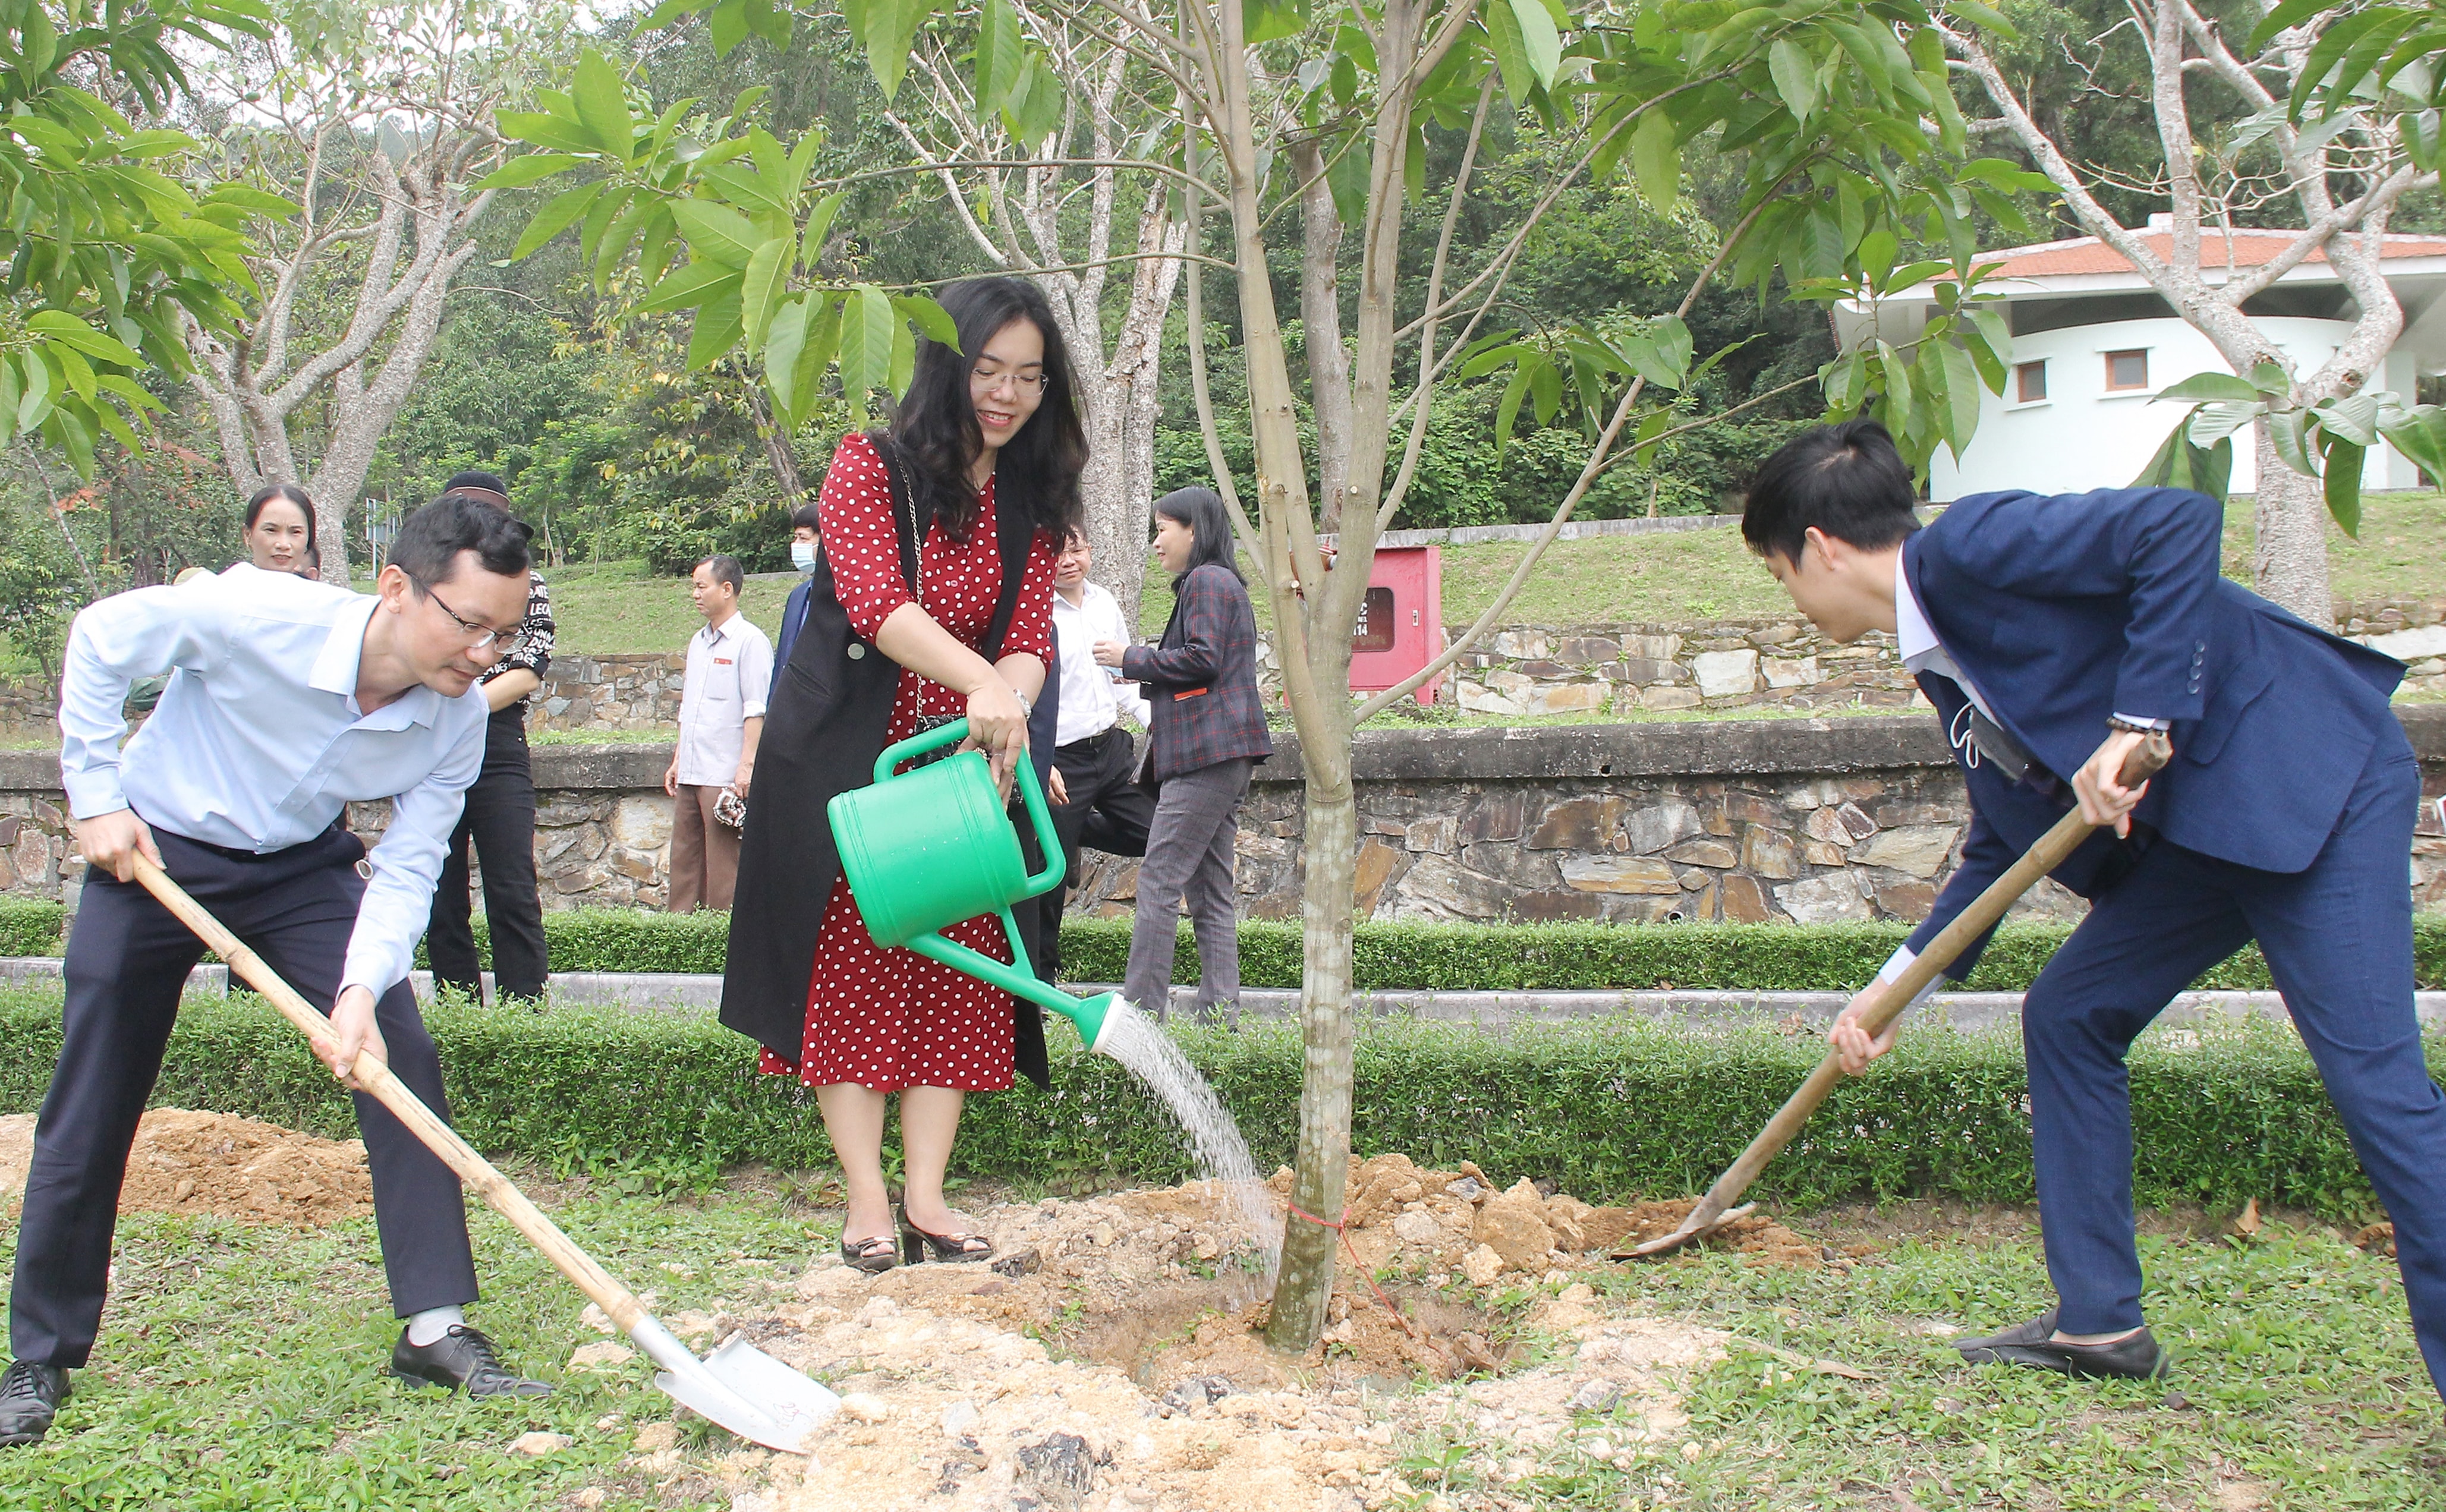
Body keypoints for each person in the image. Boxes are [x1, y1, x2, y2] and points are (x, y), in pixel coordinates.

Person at [1745, 418, 2441, 1395]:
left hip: (2311, 778)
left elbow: (2177, 523)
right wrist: (1892, 988)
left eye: (1779, 575)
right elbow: (1999, 844)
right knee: (2071, 1013)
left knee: (2378, 1088)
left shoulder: (1967, 548)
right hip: (2207, 832)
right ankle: (2099, 1321)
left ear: (1818, 547)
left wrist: (2138, 721)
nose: (1791, 599)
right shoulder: (1938, 657)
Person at [0, 493, 554, 1449]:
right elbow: (98, 639)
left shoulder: (457, 720)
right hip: (157, 855)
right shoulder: (253, 612)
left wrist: (356, 988)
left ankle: (434, 1327)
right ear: (396, 589)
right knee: (93, 1091)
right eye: (469, 627)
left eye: (502, 637)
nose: (483, 657)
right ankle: (38, 1356)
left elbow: (414, 863)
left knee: (399, 1056)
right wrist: (94, 796)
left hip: (301, 869)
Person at [722, 276, 1078, 1275]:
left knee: (956, 978)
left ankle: (928, 1195)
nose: (1006, 395)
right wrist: (981, 683)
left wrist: (1002, 702)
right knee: (855, 974)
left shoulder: (1033, 499)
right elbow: (877, 603)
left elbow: (1029, 638)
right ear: (947, 366)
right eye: (988, 370)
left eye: (1029, 378)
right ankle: (867, 1197)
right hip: (856, 769)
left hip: (967, 776)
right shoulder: (867, 465)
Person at [1095, 487, 1270, 1022]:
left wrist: (1132, 656)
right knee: (1209, 890)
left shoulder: (1206, 580)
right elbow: (1198, 661)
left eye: (1162, 529)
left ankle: (1143, 1013)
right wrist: (1140, 666)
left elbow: (1202, 659)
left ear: (1193, 529)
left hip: (1205, 753)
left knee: (1159, 878)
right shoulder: (1216, 582)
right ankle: (1220, 1018)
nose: (1155, 543)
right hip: (1222, 753)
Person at [423, 471, 554, 1003]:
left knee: (512, 884)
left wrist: (467, 704)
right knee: (439, 882)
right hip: (429, 737)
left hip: (495, 737)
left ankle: (523, 1007)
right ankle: (456, 1002)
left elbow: (530, 667)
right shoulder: (424, 578)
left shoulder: (528, 581)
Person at [1024, 526, 1153, 983]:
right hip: (1061, 762)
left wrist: (1153, 718)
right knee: (1048, 883)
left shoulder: (1103, 602)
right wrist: (1040, 761)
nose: (1067, 560)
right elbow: (1018, 694)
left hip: (1112, 750)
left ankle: (1078, 831)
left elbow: (1123, 677)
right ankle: (1042, 986)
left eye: (1075, 549)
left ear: (1089, 550)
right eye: (1056, 552)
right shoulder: (1034, 612)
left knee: (1157, 834)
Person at [663, 554, 772, 913]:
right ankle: (678, 934)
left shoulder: (750, 641)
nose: (695, 594)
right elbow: (689, 708)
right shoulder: (698, 642)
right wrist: (679, 759)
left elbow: (756, 709)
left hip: (723, 772)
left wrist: (746, 766)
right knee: (684, 859)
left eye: (700, 586)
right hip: (693, 768)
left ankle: (721, 942)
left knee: (724, 868)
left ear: (727, 589)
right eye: (693, 587)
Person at [772, 500, 823, 689]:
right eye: (796, 538)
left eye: (803, 538)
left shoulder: (846, 598)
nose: (796, 545)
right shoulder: (798, 596)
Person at [241, 483, 314, 576]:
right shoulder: (224, 588)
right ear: (248, 535)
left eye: (296, 532)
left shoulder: (320, 591)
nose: (283, 545)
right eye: (271, 530)